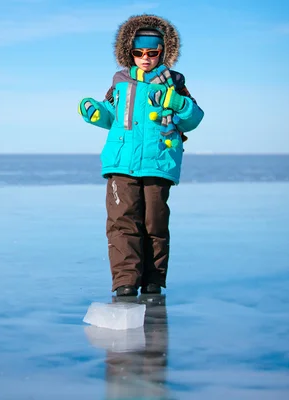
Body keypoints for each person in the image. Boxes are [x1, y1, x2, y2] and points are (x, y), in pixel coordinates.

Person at [78, 14, 204, 297]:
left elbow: (193, 119)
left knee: (154, 223)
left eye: (152, 52)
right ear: (129, 52)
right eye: (138, 52)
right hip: (121, 161)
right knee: (122, 221)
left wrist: (175, 101)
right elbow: (111, 114)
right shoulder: (120, 81)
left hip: (158, 162)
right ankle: (124, 281)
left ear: (163, 52)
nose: (145, 58)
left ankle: (153, 280)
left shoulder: (174, 82)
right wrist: (95, 111)